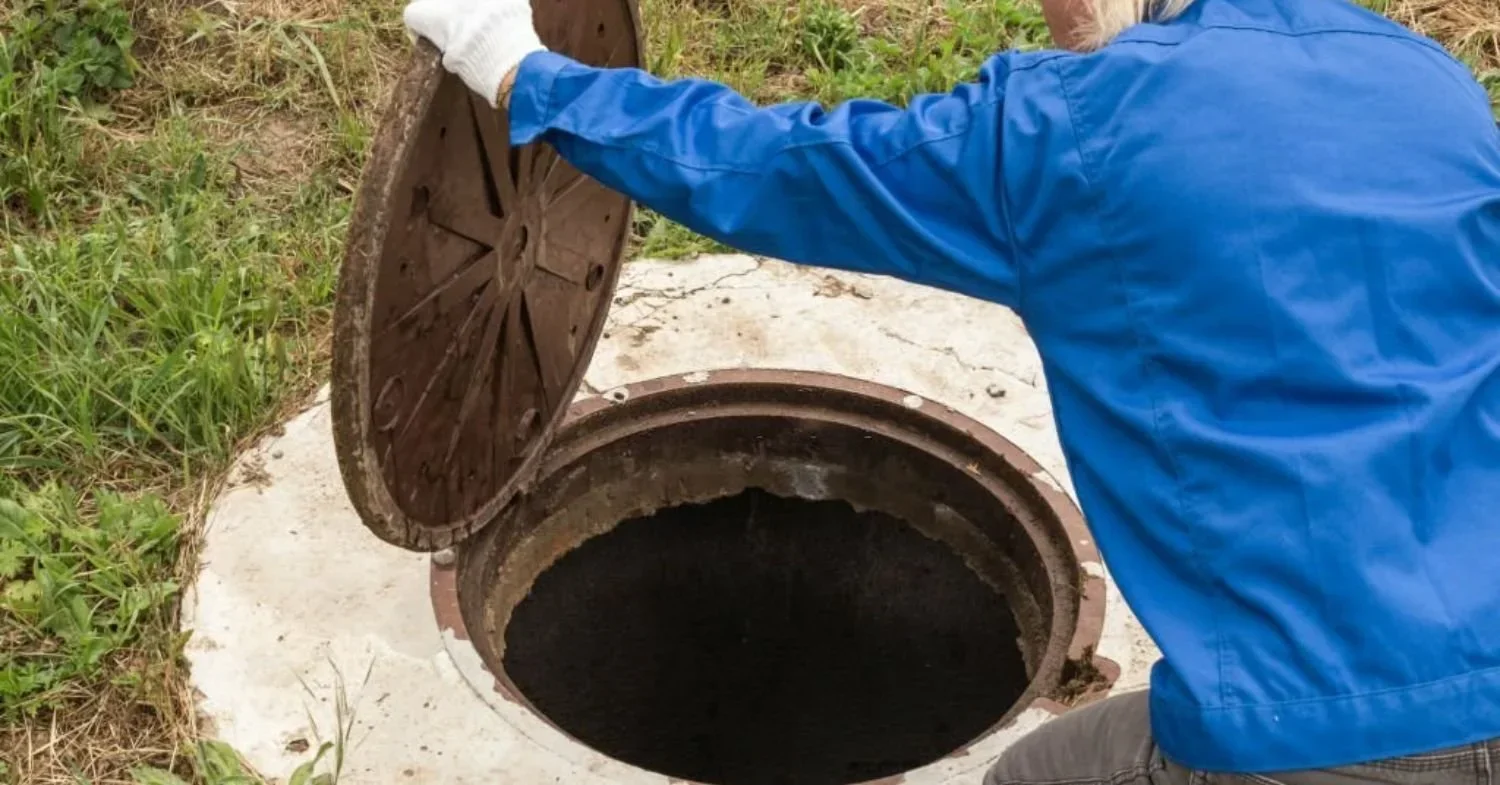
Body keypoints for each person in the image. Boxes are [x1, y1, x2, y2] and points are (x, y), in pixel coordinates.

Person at [400, 0, 1500, 782]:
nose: (1054, 21)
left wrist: (523, 72)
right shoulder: (1431, 85)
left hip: (1316, 736)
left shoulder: (1070, 134)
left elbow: (777, 167)